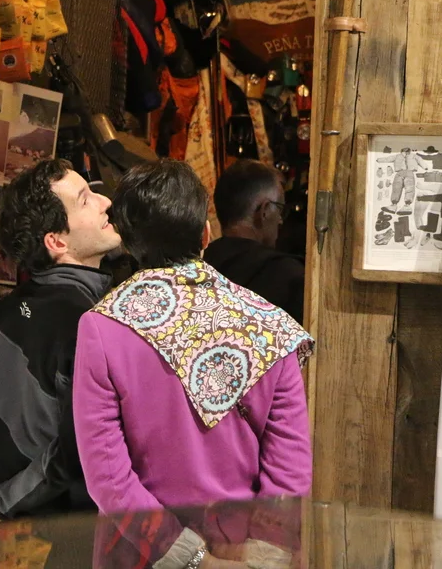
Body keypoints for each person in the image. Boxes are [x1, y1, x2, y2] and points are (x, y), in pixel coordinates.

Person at [73, 159, 314, 569]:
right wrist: (264, 555)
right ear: (206, 233)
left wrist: (192, 558)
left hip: (141, 554)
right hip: (242, 551)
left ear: (126, 242)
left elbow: (109, 479)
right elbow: (289, 464)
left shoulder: (102, 327)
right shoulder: (271, 326)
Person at [0, 158, 122, 526]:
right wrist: (3, 501)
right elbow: (83, 445)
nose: (104, 202)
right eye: (85, 199)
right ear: (56, 242)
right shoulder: (90, 323)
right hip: (71, 533)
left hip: (9, 532)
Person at [203, 160, 305, 323]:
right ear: (264, 211)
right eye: (279, 209)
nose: (280, 220)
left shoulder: (196, 269)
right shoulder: (291, 279)